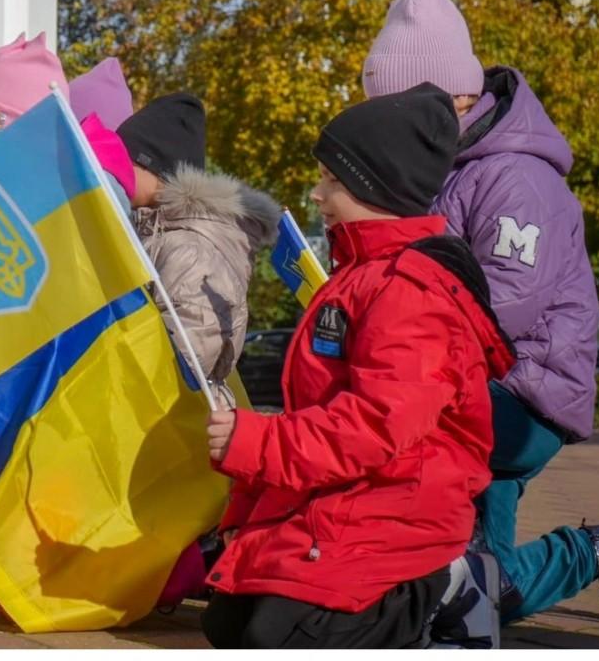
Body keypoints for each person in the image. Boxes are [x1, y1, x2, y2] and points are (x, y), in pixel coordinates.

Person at [362, 0, 599, 619]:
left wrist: (391, 342)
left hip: (520, 394)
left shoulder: (513, 176)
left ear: (446, 98)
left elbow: (503, 308)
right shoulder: (445, 168)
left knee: (444, 581)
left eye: (393, 109)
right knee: (471, 601)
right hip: (479, 386)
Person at [202, 84, 517, 648]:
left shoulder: (410, 290)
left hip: (401, 506)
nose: (318, 195)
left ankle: (450, 587)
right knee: (227, 621)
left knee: (278, 637)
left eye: (334, 182)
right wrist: (244, 514)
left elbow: (375, 425)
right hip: (355, 494)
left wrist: (256, 444)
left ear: (378, 189)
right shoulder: (360, 273)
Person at [116, 93, 279, 384]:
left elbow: (189, 357)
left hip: (168, 417)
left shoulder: (189, 250)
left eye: (124, 161)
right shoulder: (158, 231)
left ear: (154, 167)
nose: (115, 170)